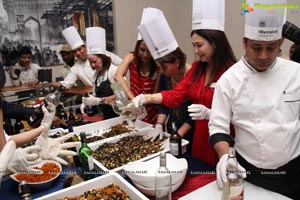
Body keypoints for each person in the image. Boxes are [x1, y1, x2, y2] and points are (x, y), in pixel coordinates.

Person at [208, 0, 300, 199]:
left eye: (272, 47)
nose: (264, 55)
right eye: (256, 47)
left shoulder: (296, 73)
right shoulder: (229, 80)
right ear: (244, 42)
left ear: (281, 43)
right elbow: (218, 127)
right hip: (250, 172)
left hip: (294, 172)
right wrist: (225, 157)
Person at [133, 0, 236, 166]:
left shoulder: (232, 72)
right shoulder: (196, 69)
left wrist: (211, 114)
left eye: (199, 45)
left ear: (216, 43)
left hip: (224, 137)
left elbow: (243, 115)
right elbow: (175, 95)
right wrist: (146, 98)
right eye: (194, 45)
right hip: (201, 137)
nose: (195, 51)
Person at [114, 8, 161, 124]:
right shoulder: (131, 57)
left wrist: (142, 102)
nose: (145, 54)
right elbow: (118, 77)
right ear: (137, 47)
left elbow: (155, 94)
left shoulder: (159, 66)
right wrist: (132, 98)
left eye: (149, 51)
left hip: (152, 112)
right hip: (134, 108)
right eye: (142, 49)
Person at [146, 47, 195, 154]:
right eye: (159, 68)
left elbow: (195, 115)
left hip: (191, 131)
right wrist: (159, 124)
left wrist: (178, 135)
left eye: (164, 67)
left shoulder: (194, 76)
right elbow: (165, 103)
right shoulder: (166, 76)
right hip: (173, 127)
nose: (162, 71)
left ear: (177, 62)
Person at [52, 26, 122, 91]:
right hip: (97, 95)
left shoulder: (103, 55)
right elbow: (67, 83)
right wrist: (51, 84)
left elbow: (121, 63)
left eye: (79, 49)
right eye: (75, 51)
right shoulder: (76, 68)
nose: (78, 53)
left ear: (85, 47)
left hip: (115, 88)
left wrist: (118, 78)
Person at [80, 27, 119, 119]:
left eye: (95, 61)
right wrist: (87, 101)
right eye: (90, 63)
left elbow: (120, 96)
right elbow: (95, 94)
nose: (93, 65)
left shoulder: (112, 72)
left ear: (103, 58)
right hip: (107, 116)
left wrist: (99, 101)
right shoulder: (96, 75)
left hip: (119, 115)